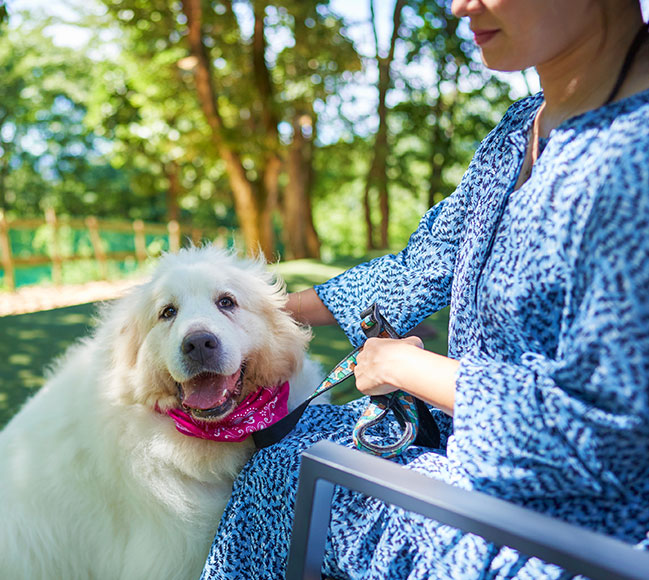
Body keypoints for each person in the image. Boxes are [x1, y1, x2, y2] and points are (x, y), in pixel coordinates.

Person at [200, 0, 649, 578]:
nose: (461, 4)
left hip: (570, 533)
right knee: (275, 451)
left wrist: (411, 372)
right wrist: (260, 314)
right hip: (474, 463)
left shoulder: (632, 159)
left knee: (282, 477)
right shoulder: (521, 128)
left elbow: (609, 438)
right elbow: (425, 264)